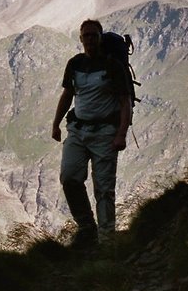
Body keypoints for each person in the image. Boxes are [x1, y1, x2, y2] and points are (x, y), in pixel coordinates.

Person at [51, 19, 132, 248]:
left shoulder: (113, 66)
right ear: (80, 38)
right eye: (85, 36)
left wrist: (121, 134)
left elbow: (124, 102)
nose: (89, 40)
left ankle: (106, 243)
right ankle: (88, 228)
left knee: (104, 189)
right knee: (69, 177)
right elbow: (68, 95)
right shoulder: (74, 64)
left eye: (93, 35)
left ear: (100, 37)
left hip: (106, 133)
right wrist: (56, 123)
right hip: (77, 130)